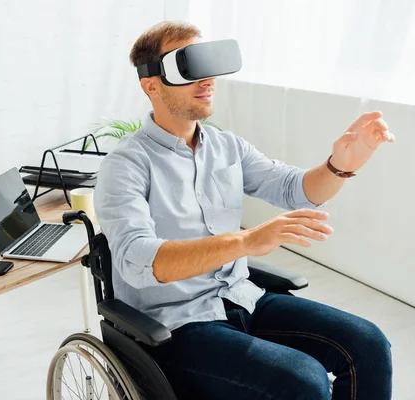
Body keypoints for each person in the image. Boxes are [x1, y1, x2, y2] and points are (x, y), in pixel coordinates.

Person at [94, 21, 394, 400]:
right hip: (175, 326)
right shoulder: (126, 165)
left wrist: (339, 164)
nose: (208, 80)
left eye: (209, 66)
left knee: (368, 345)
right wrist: (247, 241)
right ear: (151, 85)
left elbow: (294, 188)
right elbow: (139, 261)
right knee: (302, 380)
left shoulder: (226, 147)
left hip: (240, 298)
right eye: (189, 68)